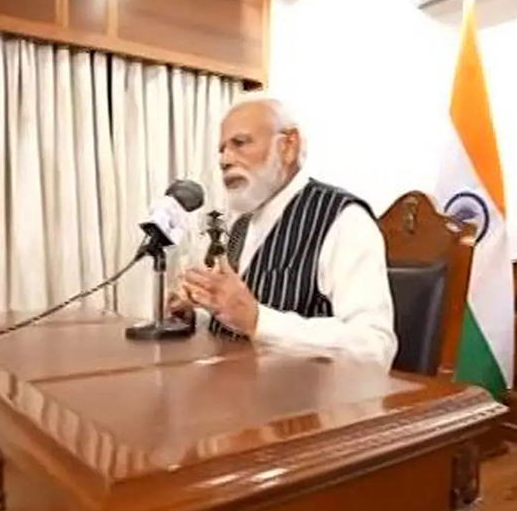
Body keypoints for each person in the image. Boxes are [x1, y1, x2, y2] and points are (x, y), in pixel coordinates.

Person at [169, 92, 398, 370]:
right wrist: (195, 312)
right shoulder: (239, 224)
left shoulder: (343, 219)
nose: (225, 160)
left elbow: (375, 348)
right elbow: (233, 326)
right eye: (222, 150)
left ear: (288, 146)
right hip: (230, 389)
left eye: (240, 143)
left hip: (304, 396)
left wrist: (259, 321)